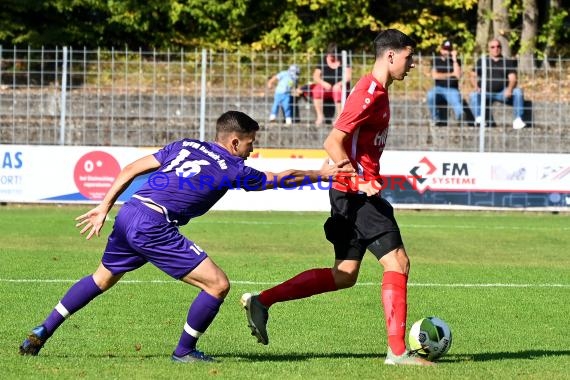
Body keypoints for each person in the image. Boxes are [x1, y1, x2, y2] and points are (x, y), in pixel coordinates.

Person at [18, 110, 352, 362]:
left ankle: (42, 330)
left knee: (102, 278)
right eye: (251, 143)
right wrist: (319, 174)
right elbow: (280, 178)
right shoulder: (232, 167)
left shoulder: (184, 145)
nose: (253, 150)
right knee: (218, 285)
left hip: (131, 212)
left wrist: (104, 206)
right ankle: (184, 351)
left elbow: (130, 169)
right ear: (234, 141)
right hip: (155, 224)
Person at [241, 29, 434, 366]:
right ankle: (398, 353)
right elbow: (333, 140)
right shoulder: (368, 93)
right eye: (408, 56)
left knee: (344, 273)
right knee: (398, 262)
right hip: (355, 194)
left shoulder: (378, 91)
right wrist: (360, 180)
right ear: (391, 56)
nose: (412, 63)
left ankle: (262, 301)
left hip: (347, 193)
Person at [469, 38, 527, 129]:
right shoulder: (482, 61)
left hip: (502, 93)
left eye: (498, 46)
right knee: (473, 94)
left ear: (501, 48)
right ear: (489, 49)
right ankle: (479, 119)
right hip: (485, 93)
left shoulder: (507, 62)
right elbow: (472, 75)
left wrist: (510, 89)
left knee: (518, 91)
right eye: (492, 47)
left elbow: (513, 78)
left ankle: (518, 120)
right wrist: (476, 86)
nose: (495, 49)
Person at [311, 43, 352, 126]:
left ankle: (339, 117)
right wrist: (323, 83)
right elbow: (316, 76)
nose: (331, 57)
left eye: (333, 55)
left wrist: (339, 84)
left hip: (340, 87)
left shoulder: (345, 59)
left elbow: (348, 77)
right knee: (316, 90)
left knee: (337, 90)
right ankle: (320, 117)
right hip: (326, 87)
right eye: (330, 55)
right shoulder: (323, 60)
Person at [426, 39, 464, 126]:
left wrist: (454, 60)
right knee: (430, 95)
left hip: (452, 89)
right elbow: (435, 75)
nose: (447, 51)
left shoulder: (456, 61)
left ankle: (460, 117)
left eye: (449, 49)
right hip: (438, 88)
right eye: (445, 49)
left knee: (456, 100)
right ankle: (435, 118)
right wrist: (451, 74)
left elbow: (457, 75)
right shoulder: (436, 60)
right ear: (441, 50)